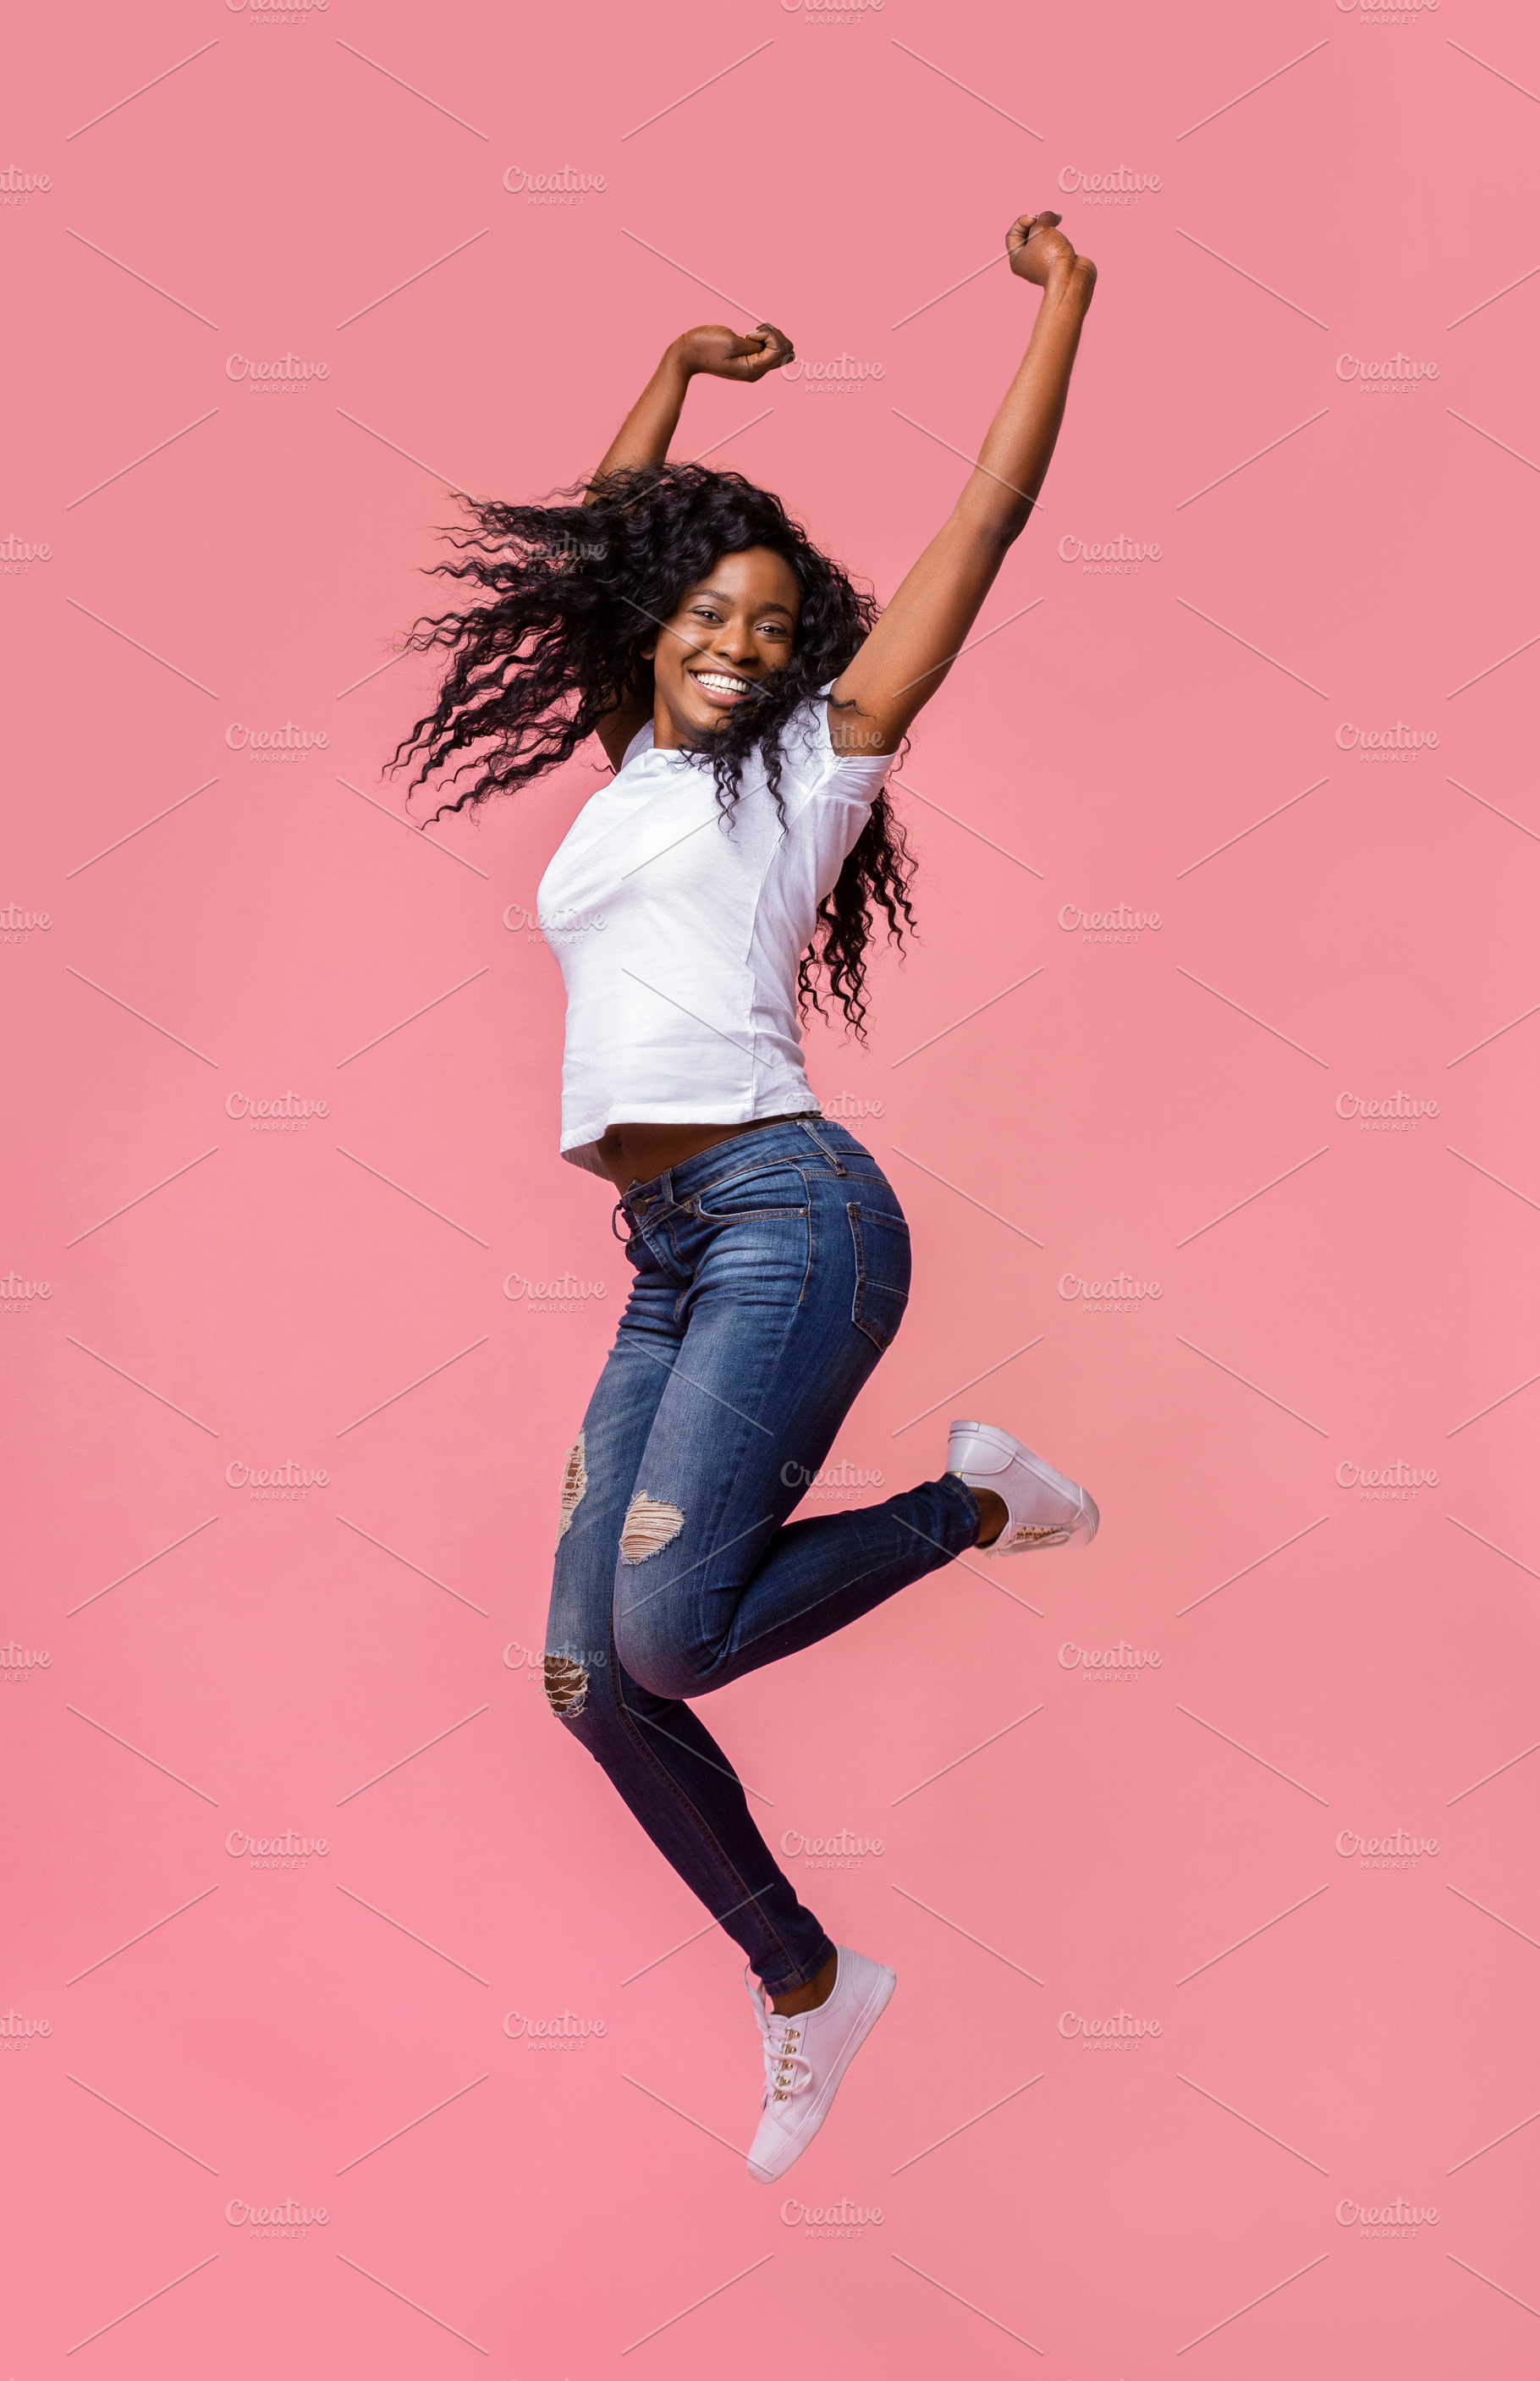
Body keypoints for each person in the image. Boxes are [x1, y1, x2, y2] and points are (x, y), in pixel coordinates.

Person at [395, 211, 1101, 2182]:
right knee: (586, 1677)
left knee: (674, 1639)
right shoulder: (626, 766)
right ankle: (807, 1983)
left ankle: (973, 1502)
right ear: (662, 613)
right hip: (669, 1257)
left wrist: (1066, 311)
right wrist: (680, 374)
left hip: (795, 1216)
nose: (737, 640)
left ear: (809, 656)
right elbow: (601, 541)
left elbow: (987, 519)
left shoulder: (809, 770)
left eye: (774, 624)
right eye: (707, 607)